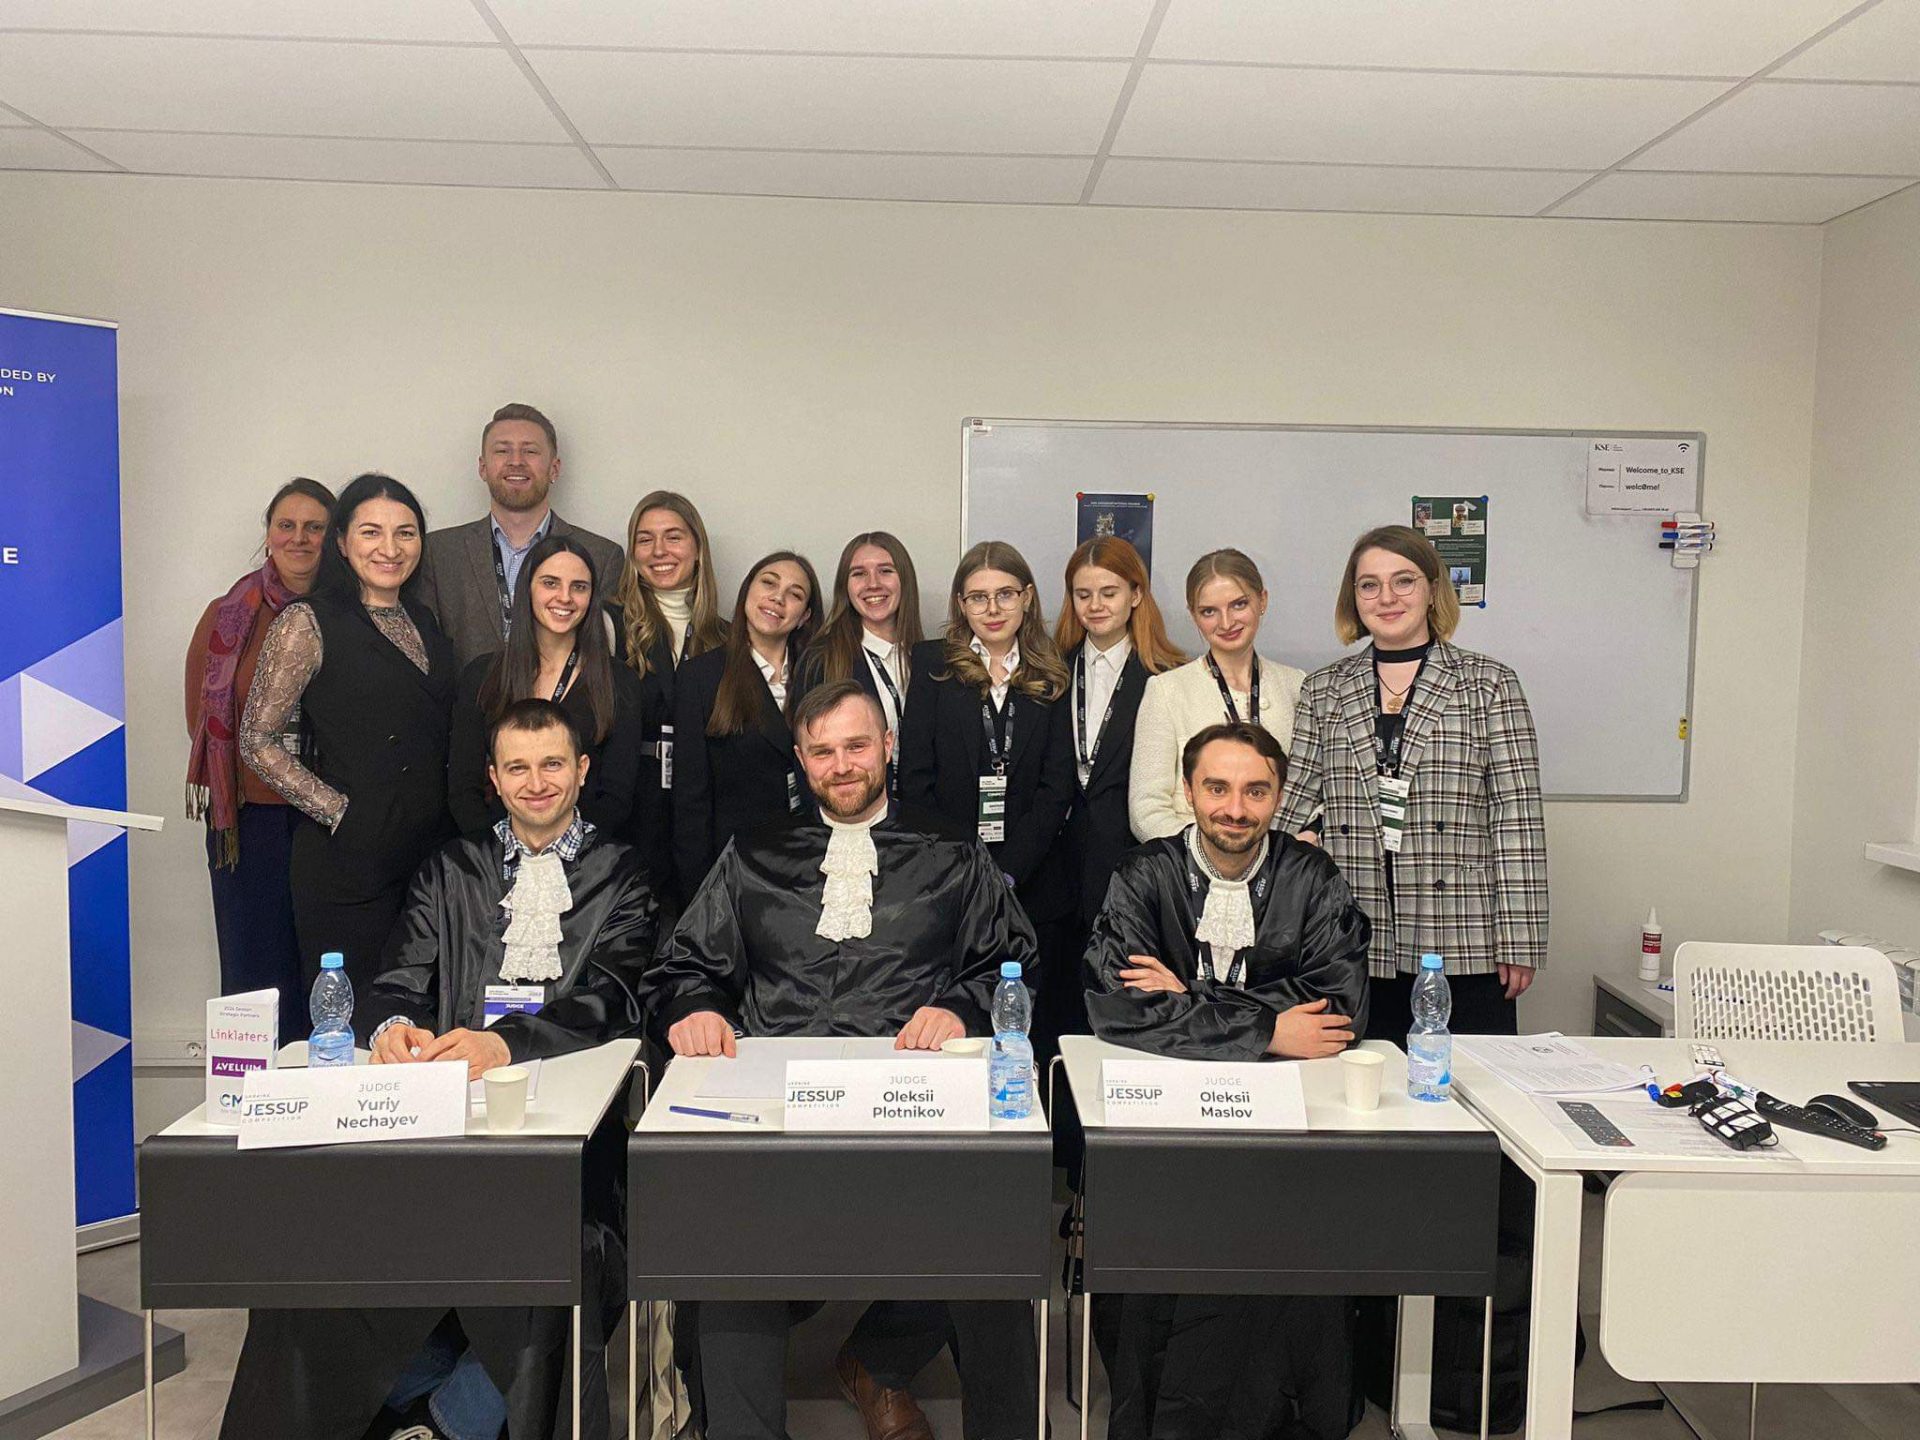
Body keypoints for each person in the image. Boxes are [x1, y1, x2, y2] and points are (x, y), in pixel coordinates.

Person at [220, 699, 657, 1440]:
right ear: (494, 777)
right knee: (318, 1248)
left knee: (563, 1256)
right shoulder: (451, 868)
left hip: (574, 1145)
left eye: (553, 764)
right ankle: (408, 1398)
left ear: (582, 770)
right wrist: (392, 1028)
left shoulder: (624, 874)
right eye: (518, 767)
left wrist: (503, 1044)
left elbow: (612, 997)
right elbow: (396, 980)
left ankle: (447, 1420)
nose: (537, 783)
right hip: (442, 1132)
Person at [651, 680, 1040, 1440]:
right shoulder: (753, 852)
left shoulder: (953, 851)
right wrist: (695, 1007)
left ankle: (951, 1400)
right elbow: (686, 964)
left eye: (857, 745)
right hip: (778, 1114)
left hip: (915, 1109)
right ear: (801, 760)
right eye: (823, 751)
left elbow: (1012, 962)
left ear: (888, 746)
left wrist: (960, 1008)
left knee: (995, 1250)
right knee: (723, 1261)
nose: (842, 765)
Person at [1085, 722, 1370, 1440]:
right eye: (1217, 788)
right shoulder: (1142, 876)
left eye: (1255, 791)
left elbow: (1338, 1009)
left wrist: (1188, 998)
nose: (1235, 809)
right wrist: (1267, 1029)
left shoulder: (1314, 879)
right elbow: (1118, 1005)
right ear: (1188, 791)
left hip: (1289, 1128)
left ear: (1278, 796)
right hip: (1166, 1126)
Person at [1276, 524, 1547, 1038]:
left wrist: (1520, 938)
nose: (1387, 598)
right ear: (1354, 598)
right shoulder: (1324, 689)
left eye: (1403, 581)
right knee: (1360, 1080)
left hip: (1461, 932)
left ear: (1431, 589)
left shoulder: (1488, 683)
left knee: (1461, 1081)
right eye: (1369, 585)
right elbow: (1297, 805)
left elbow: (1517, 817)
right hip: (1354, 930)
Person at [240, 473, 457, 1002]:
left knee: (424, 1015)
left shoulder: (425, 619)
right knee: (355, 1022)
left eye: (405, 533)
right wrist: (339, 812)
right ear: (341, 542)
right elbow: (257, 739)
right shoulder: (307, 621)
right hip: (347, 865)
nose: (390, 548)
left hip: (428, 861)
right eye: (371, 532)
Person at [185, 476, 335, 1037]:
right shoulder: (228, 615)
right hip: (249, 825)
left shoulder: (351, 613)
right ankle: (255, 1086)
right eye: (286, 525)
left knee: (325, 971)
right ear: (268, 534)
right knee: (255, 977)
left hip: (331, 820)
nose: (300, 538)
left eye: (315, 527)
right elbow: (200, 720)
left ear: (335, 538)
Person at [897, 541, 1074, 980]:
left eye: (1005, 594)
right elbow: (915, 779)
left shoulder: (1052, 668)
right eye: (978, 597)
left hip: (1033, 880)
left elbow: (1057, 787)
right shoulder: (932, 664)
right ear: (961, 604)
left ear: (1027, 598)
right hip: (949, 878)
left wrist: (1008, 872)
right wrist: (965, 867)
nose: (993, 609)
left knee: (1031, 1003)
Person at [1045, 537, 1185, 1040]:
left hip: (1132, 868)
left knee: (1126, 1014)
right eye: (1083, 594)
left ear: (1136, 595)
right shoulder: (1049, 670)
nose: (1096, 605)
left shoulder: (1168, 676)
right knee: (1058, 1014)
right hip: (1058, 873)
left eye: (1109, 592)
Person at [447, 535, 651, 842]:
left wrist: (565, 853)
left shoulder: (619, 681)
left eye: (579, 587)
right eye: (550, 583)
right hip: (495, 852)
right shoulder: (482, 675)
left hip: (585, 855)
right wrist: (500, 852)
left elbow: (617, 796)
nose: (565, 597)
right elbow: (463, 789)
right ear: (526, 589)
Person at [417, 402, 625, 669]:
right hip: (465, 697)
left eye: (530, 451)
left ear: (554, 469)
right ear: (482, 467)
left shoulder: (603, 556)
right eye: (502, 451)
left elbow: (601, 658)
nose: (516, 461)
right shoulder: (438, 552)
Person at [669, 550, 819, 902]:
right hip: (735, 873)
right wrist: (700, 897)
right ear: (746, 591)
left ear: (804, 616)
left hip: (810, 868)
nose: (778, 598)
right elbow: (690, 801)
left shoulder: (820, 675)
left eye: (795, 594)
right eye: (768, 583)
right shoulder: (700, 677)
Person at [1129, 549, 1305, 842]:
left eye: (1238, 604)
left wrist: (1288, 849)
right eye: (1209, 611)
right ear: (1193, 615)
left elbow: (1315, 792)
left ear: (1262, 600)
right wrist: (1212, 854)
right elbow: (1146, 811)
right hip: (1192, 863)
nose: (1226, 623)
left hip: (1282, 861)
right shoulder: (1167, 690)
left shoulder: (1297, 685)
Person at [609, 491, 728, 886]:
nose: (659, 550)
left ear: (698, 548)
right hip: (631, 812)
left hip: (701, 816)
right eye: (645, 539)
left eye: (673, 537)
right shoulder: (607, 624)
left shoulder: (727, 637)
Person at [793, 531, 924, 785]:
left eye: (885, 571)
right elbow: (808, 757)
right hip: (850, 804)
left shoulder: (926, 659)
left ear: (905, 580)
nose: (873, 583)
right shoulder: (821, 659)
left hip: (918, 806)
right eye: (859, 574)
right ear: (845, 586)